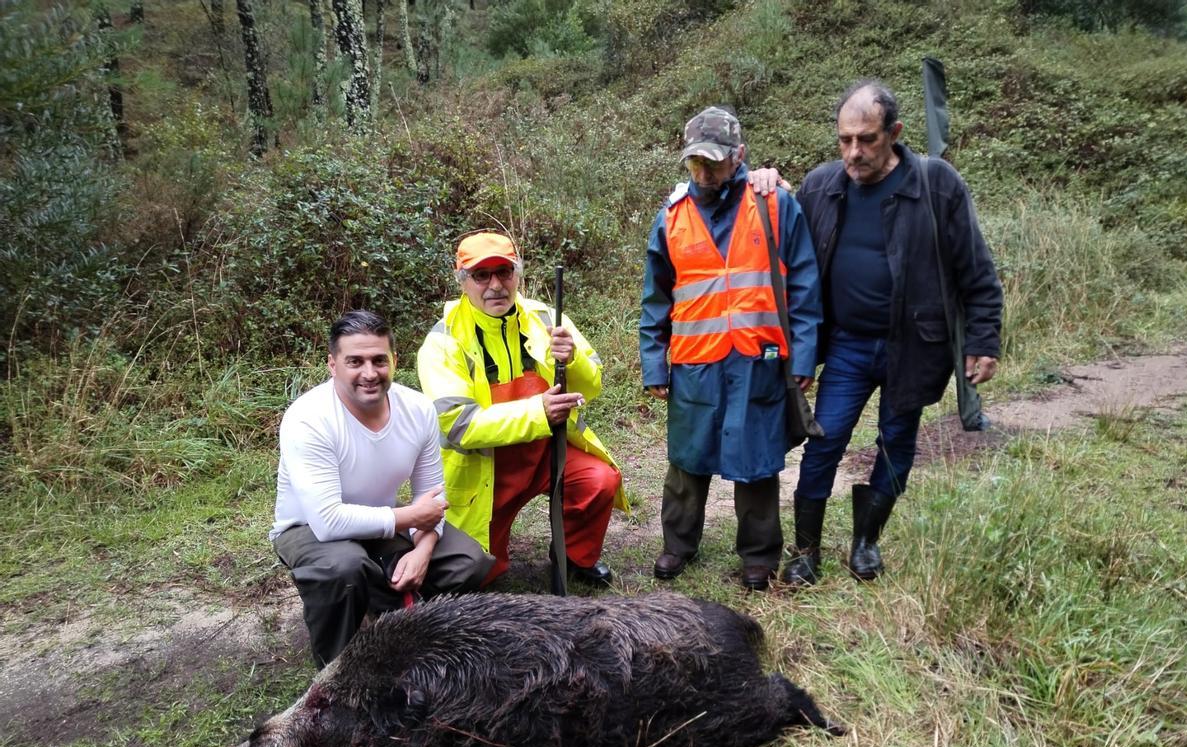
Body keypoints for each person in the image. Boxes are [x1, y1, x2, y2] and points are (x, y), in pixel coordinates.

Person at [750, 79, 1003, 584]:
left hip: (915, 345)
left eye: (866, 139)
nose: (854, 152)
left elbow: (976, 268)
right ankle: (806, 552)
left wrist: (983, 339)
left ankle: (866, 542)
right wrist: (764, 181)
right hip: (846, 344)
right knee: (825, 442)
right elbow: (779, 234)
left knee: (897, 441)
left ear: (895, 133)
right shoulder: (823, 185)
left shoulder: (937, 185)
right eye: (845, 139)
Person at [640, 106, 822, 590]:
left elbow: (804, 283)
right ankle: (677, 546)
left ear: (739, 156)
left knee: (756, 458)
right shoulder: (672, 217)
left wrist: (803, 354)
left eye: (714, 163)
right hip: (695, 363)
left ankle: (758, 555)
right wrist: (654, 365)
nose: (704, 173)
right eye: (695, 163)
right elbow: (656, 298)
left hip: (756, 357)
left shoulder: (775, 204)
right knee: (686, 458)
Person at [271, 310, 494, 668]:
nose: (369, 373)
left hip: (381, 520)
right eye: (354, 362)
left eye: (379, 360)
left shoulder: (418, 409)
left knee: (467, 562)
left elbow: (432, 498)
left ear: (395, 360)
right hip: (308, 528)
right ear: (332, 364)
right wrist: (410, 517)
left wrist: (421, 552)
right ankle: (337, 671)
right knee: (344, 569)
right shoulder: (308, 418)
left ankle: (410, 629)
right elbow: (328, 522)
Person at [417, 232, 626, 587]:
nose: (495, 285)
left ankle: (574, 557)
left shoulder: (547, 317)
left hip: (547, 451)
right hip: (487, 467)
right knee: (479, 573)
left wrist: (571, 361)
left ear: (518, 275)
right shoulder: (443, 342)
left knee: (598, 481)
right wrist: (538, 413)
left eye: (504, 272)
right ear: (462, 281)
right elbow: (459, 427)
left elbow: (592, 386)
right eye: (482, 276)